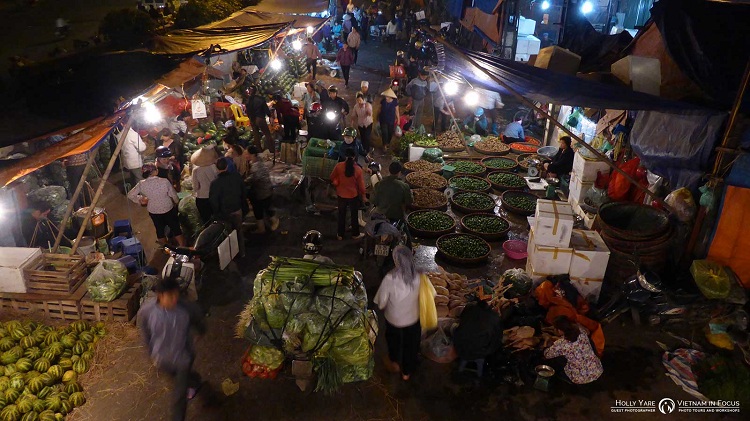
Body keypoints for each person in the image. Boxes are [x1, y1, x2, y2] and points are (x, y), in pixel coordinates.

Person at [137, 277, 206, 421]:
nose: (174, 299)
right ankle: (195, 380)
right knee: (179, 377)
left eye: (176, 294)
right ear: (160, 296)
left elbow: (198, 318)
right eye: (170, 295)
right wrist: (151, 354)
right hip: (162, 359)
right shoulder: (147, 312)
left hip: (182, 358)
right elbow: (145, 333)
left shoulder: (185, 308)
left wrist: (200, 332)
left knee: (179, 395)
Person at [374, 245, 421, 381]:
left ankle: (394, 362)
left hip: (394, 319)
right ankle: (406, 373)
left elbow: (381, 302)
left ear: (396, 261)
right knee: (411, 345)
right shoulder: (418, 276)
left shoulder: (390, 278)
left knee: (393, 340)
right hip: (412, 319)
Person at [128, 163, 186, 247]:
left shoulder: (141, 184)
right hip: (168, 208)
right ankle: (182, 247)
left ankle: (166, 249)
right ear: (154, 171)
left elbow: (130, 195)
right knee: (175, 228)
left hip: (153, 211)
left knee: (159, 230)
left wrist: (141, 199)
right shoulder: (164, 181)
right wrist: (177, 202)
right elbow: (173, 195)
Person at [544, 316, 603, 385]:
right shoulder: (581, 331)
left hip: (580, 378)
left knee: (557, 359)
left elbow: (547, 355)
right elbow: (585, 333)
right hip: (597, 371)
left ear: (559, 330)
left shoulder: (561, 344)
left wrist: (546, 340)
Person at [209, 157, 248, 257]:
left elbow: (214, 201)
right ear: (227, 166)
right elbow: (243, 192)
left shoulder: (215, 183)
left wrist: (216, 213)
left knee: (227, 235)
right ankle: (242, 253)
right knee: (238, 231)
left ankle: (230, 255)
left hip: (224, 213)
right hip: (237, 209)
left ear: (217, 168)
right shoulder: (236, 176)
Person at [330, 148, 366, 240]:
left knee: (341, 214)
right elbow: (361, 186)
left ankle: (340, 234)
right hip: (353, 195)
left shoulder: (339, 166)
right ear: (354, 157)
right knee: (354, 215)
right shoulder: (358, 170)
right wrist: (364, 196)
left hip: (341, 194)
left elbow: (331, 177)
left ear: (345, 156)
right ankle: (355, 234)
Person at [244, 145, 280, 233]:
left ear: (252, 155)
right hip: (266, 190)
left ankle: (266, 226)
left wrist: (243, 182)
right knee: (263, 209)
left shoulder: (256, 166)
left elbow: (254, 178)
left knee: (261, 209)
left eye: (247, 153)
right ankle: (262, 227)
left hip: (261, 192)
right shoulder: (258, 162)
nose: (245, 155)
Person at [190, 146, 219, 224]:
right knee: (217, 217)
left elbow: (195, 186)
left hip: (202, 197)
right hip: (214, 195)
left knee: (206, 219)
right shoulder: (214, 167)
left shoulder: (196, 170)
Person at [244, 85, 275, 155]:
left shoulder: (248, 100)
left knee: (256, 135)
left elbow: (247, 111)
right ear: (256, 91)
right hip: (260, 119)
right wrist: (270, 116)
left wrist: (250, 118)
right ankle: (272, 150)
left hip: (252, 119)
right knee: (267, 134)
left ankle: (259, 150)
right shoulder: (261, 99)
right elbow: (266, 109)